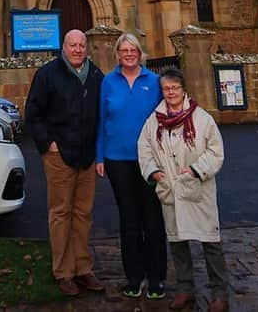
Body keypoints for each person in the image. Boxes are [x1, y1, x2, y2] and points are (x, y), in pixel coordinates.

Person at [138, 68, 229, 312]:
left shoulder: (201, 118)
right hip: (171, 190)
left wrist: (195, 170)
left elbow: (215, 151)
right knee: (178, 242)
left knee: (210, 241)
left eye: (175, 88)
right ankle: (185, 289)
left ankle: (219, 294)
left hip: (197, 189)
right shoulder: (154, 120)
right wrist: (154, 172)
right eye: (166, 88)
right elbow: (144, 148)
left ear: (183, 89)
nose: (171, 92)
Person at [25, 29, 105, 296]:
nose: (78, 50)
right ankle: (63, 272)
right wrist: (49, 145)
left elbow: (103, 114)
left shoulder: (95, 76)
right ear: (64, 47)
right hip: (60, 156)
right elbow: (33, 114)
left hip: (87, 156)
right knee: (60, 213)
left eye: (82, 45)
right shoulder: (48, 74)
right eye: (73, 45)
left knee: (83, 214)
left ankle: (83, 269)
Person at [95, 33, 167, 299]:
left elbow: (166, 118)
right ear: (117, 54)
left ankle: (157, 277)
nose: (128, 54)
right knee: (129, 220)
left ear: (140, 53)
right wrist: (99, 156)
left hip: (149, 161)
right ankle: (134, 278)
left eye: (133, 50)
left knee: (152, 218)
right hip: (117, 160)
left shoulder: (154, 81)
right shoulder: (108, 82)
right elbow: (101, 119)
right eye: (123, 50)